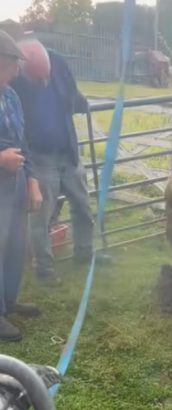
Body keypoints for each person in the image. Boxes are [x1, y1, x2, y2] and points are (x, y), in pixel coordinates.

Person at [12, 37, 111, 287]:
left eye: (46, 75)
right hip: (39, 157)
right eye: (37, 78)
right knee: (41, 217)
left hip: (68, 150)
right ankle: (44, 268)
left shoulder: (57, 62)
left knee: (82, 206)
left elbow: (71, 90)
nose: (44, 82)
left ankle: (84, 253)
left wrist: (80, 101)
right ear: (21, 67)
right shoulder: (13, 80)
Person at [0, 30, 42, 341]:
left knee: (14, 245)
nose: (18, 70)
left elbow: (24, 142)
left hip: (15, 183)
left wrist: (33, 181)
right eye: (15, 63)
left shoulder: (11, 96)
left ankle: (8, 300)